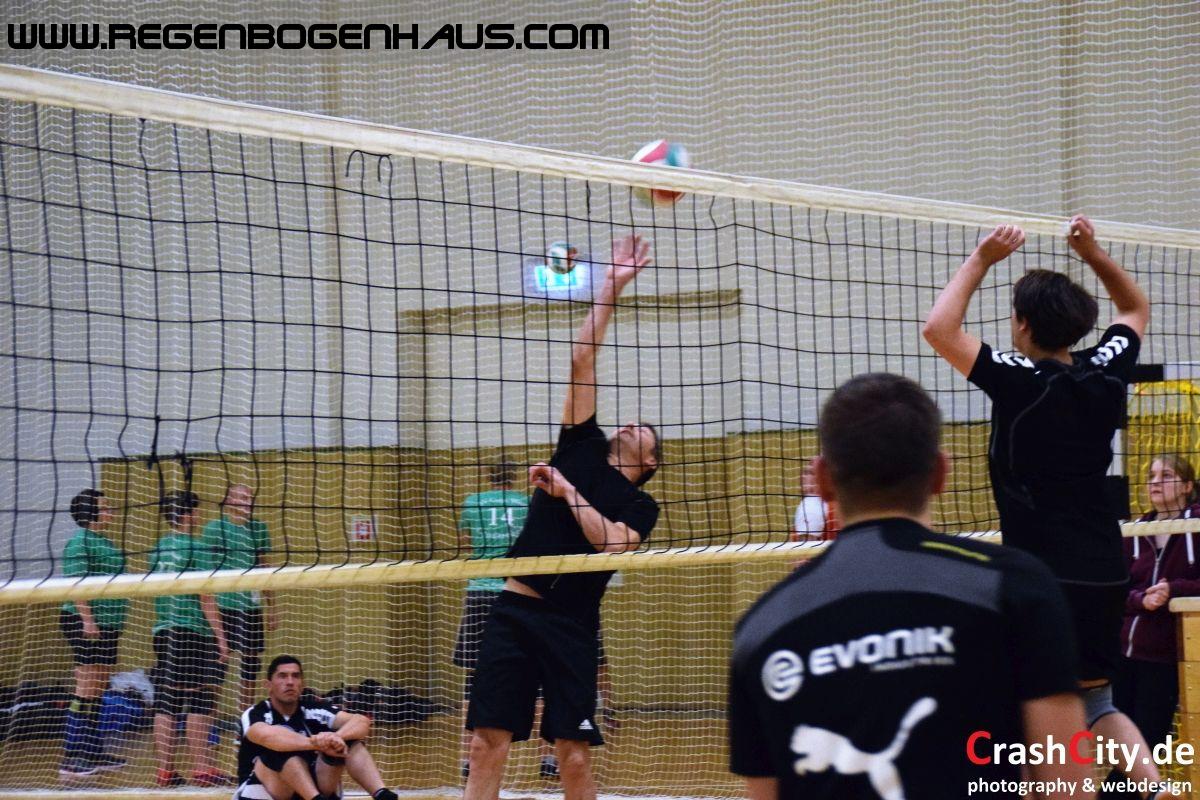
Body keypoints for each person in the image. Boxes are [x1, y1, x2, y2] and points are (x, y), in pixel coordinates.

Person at [729, 373, 1090, 799]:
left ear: (823, 480)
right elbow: (1067, 786)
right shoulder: (1016, 587)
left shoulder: (761, 629)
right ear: (941, 472)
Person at [922, 215, 1176, 797]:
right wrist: (1093, 254)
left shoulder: (1021, 379)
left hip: (1041, 573)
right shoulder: (1104, 368)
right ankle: (1156, 788)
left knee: (1032, 708)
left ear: (1023, 324)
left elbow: (939, 328)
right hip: (1106, 566)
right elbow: (1134, 309)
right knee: (1098, 701)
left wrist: (983, 258)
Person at [464, 234, 661, 800]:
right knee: (485, 744)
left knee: (572, 756)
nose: (633, 423)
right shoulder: (580, 443)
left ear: (649, 462)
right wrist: (610, 286)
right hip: (514, 608)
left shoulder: (641, 505)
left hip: (573, 625)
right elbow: (582, 358)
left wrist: (568, 491)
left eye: (646, 431)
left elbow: (613, 545)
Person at [452, 460, 541, 777]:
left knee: (474, 677)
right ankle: (547, 759)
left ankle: (468, 758)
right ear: (514, 476)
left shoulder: (472, 502)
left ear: (488, 475)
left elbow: (465, 544)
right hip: (518, 592)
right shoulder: (528, 503)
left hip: (480, 592)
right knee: (536, 674)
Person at [148, 490, 234, 788]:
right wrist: (221, 639)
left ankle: (165, 771)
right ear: (187, 515)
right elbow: (206, 597)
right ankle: (202, 768)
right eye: (195, 510)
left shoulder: (156, 548)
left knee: (167, 701)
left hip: (162, 630)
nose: (199, 515)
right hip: (191, 631)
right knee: (200, 698)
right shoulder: (197, 548)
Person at [1117, 455, 1200, 749]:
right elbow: (1117, 591)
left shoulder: (1196, 527)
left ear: (1187, 486)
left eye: (1166, 475)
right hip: (1124, 656)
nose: (1155, 482)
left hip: (1166, 658)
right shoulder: (1135, 531)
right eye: (1151, 476)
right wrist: (1141, 599)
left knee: (1148, 744)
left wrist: (1173, 590)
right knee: (1120, 748)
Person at [233, 655, 397, 800]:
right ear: (268, 685)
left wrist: (337, 737)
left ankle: (382, 794)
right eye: (282, 676)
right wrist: (315, 743)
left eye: (295, 676)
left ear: (302, 684)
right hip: (264, 792)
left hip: (312, 789)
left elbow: (361, 721)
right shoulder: (256, 713)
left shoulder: (314, 709)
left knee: (348, 741)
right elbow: (266, 736)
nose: (290, 682)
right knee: (279, 748)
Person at [57, 488, 129, 779]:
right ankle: (72, 756)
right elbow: (76, 585)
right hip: (84, 622)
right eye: (105, 507)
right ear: (91, 513)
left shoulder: (104, 541)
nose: (110, 511)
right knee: (85, 688)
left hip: (108, 624)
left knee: (98, 689)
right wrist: (88, 621)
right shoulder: (80, 542)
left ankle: (93, 750)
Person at [201, 484, 278, 714]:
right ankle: (209, 719)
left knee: (251, 666)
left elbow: (265, 568)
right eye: (242, 497)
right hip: (222, 607)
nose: (248, 501)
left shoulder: (259, 528)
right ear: (228, 502)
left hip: (251, 606)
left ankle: (244, 722)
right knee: (217, 665)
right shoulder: (214, 528)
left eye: (249, 497)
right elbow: (206, 571)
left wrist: (272, 608)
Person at [791, 461, 838, 542]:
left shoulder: (811, 504)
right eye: (805, 472)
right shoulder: (837, 504)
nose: (802, 477)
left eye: (809, 472)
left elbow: (806, 547)